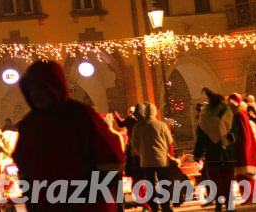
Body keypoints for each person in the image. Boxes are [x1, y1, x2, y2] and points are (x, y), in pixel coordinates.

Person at [13, 60, 124, 212]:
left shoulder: (81, 116)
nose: (36, 94)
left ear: (54, 87)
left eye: (41, 88)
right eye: (32, 89)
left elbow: (111, 162)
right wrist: (32, 204)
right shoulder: (29, 125)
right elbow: (25, 168)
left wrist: (82, 197)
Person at [194, 88, 236, 212]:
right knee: (226, 181)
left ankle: (221, 204)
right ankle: (228, 205)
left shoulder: (204, 120)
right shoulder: (228, 115)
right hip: (225, 154)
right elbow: (235, 132)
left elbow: (200, 139)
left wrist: (198, 154)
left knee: (218, 182)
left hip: (214, 156)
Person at [131, 103, 174, 212]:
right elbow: (170, 141)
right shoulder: (161, 125)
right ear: (155, 112)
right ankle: (166, 207)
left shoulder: (137, 127)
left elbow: (134, 144)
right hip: (161, 160)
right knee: (163, 183)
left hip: (145, 161)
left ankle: (153, 207)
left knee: (150, 185)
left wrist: (142, 152)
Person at [227, 93, 256, 203]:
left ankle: (251, 196)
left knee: (245, 174)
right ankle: (252, 196)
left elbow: (242, 134)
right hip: (246, 147)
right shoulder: (241, 114)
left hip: (243, 148)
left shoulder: (238, 116)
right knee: (249, 174)